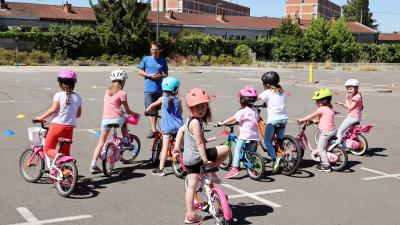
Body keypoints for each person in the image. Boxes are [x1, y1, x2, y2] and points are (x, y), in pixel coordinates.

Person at [173, 88, 229, 224]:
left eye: (203, 106)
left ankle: (190, 214)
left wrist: (176, 147)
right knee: (226, 148)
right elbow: (199, 143)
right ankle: (210, 171)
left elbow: (180, 131)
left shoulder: (188, 121)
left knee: (191, 187)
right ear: (190, 107)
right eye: (197, 107)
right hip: (199, 158)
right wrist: (206, 161)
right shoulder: (196, 123)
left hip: (189, 160)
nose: (201, 109)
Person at [90, 69, 139, 173]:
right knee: (125, 120)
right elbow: (127, 110)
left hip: (105, 119)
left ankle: (93, 164)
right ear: (123, 82)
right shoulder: (122, 93)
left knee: (101, 142)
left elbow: (111, 106)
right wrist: (134, 114)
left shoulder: (107, 91)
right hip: (117, 119)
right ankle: (126, 141)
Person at [35, 69, 82, 159]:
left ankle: (61, 158)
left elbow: (53, 109)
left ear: (60, 83)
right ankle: (67, 168)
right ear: (73, 84)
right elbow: (78, 114)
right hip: (70, 127)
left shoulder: (59, 95)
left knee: (48, 149)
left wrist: (40, 117)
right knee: (66, 152)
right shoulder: (78, 97)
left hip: (57, 126)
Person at [217, 86, 259, 179]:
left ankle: (234, 168)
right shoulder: (255, 110)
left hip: (245, 135)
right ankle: (252, 165)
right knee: (249, 152)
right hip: (254, 135)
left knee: (237, 150)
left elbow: (233, 118)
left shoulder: (242, 111)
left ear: (242, 100)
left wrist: (222, 123)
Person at [145, 77, 183, 177]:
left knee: (164, 149)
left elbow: (152, 106)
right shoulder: (178, 100)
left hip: (167, 128)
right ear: (175, 89)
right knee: (181, 145)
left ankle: (161, 170)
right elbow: (181, 111)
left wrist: (147, 111)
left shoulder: (162, 99)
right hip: (179, 127)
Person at [297, 88, 336, 172]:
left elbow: (311, 115)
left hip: (326, 132)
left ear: (324, 101)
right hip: (332, 131)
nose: (316, 103)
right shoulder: (330, 109)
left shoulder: (321, 109)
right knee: (326, 147)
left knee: (321, 148)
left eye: (317, 101)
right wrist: (314, 121)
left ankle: (326, 166)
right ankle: (329, 158)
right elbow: (323, 120)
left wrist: (302, 120)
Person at [258, 71, 288, 174]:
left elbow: (254, 98)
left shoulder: (267, 92)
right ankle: (283, 156)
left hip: (273, 120)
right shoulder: (281, 91)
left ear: (267, 84)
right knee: (279, 141)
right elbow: (277, 103)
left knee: (267, 141)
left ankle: (275, 160)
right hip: (283, 119)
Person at [138, 41, 168, 139]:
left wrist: (161, 75)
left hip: (159, 89)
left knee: (156, 110)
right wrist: (149, 75)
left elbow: (166, 73)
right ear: (150, 50)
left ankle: (154, 129)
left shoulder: (163, 61)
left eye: (156, 49)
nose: (154, 51)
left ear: (159, 50)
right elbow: (139, 71)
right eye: (152, 49)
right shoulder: (145, 59)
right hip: (148, 89)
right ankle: (153, 129)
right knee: (150, 109)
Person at [335, 79, 363, 146]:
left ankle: (337, 146)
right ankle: (356, 144)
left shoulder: (356, 97)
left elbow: (350, 108)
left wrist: (346, 99)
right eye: (348, 89)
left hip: (352, 118)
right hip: (357, 117)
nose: (349, 90)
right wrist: (341, 104)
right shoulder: (357, 96)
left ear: (356, 88)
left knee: (339, 131)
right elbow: (350, 107)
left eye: (350, 89)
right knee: (351, 132)